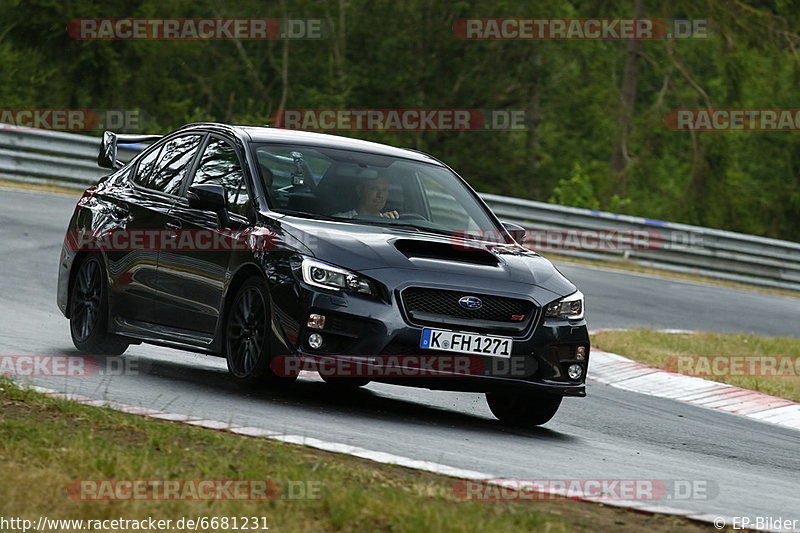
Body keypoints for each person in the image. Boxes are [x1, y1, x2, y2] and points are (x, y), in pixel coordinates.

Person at [333, 176, 399, 219]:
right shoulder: (340, 220)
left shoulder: (390, 222)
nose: (380, 195)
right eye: (374, 188)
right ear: (359, 190)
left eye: (384, 190)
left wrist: (389, 222)